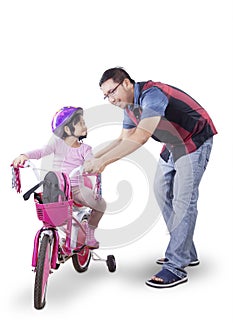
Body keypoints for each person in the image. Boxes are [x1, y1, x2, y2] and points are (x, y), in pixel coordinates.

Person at [83, 67, 217, 287]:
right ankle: (186, 251)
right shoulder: (129, 108)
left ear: (126, 83)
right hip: (173, 143)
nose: (110, 99)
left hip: (194, 140)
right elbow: (122, 140)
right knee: (161, 190)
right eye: (105, 96)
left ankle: (176, 265)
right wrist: (93, 157)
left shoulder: (152, 95)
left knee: (184, 200)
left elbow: (141, 136)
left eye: (112, 92)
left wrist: (103, 163)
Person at [12, 106, 106, 249]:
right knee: (47, 212)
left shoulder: (85, 149)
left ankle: (90, 232)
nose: (85, 126)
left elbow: (90, 160)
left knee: (100, 205)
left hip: (76, 189)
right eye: (80, 123)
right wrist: (25, 155)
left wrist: (90, 165)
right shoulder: (56, 144)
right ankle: (59, 239)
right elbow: (42, 151)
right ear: (67, 130)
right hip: (56, 188)